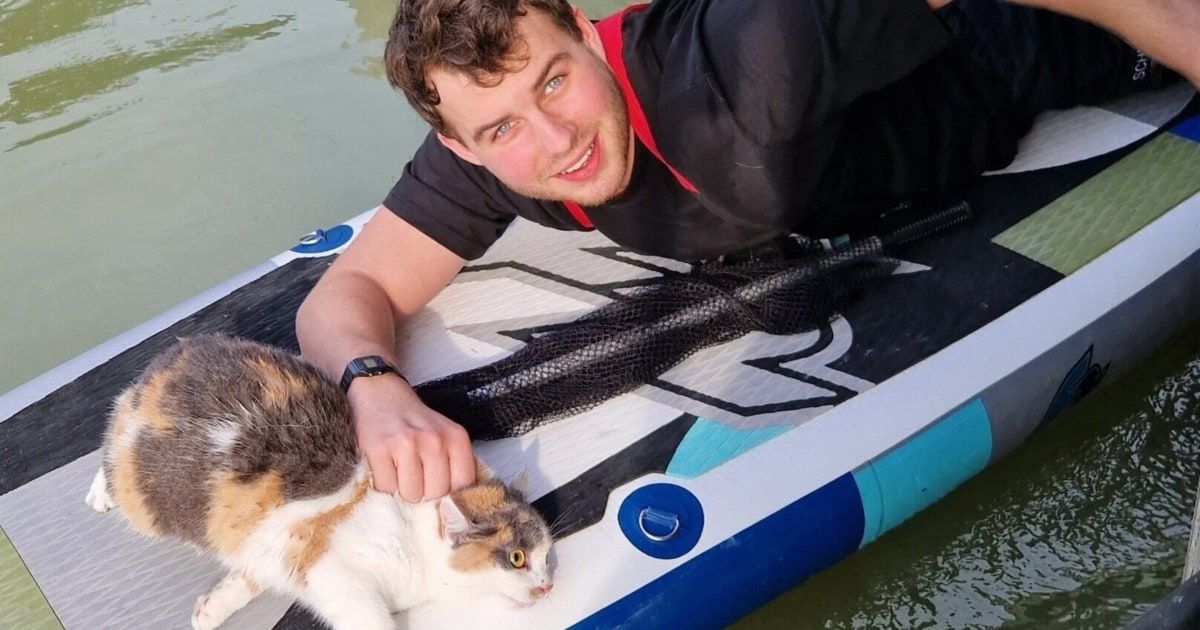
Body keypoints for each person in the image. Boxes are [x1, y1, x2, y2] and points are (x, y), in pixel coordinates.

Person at [296, 0, 1200, 503]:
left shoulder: (743, 61)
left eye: (556, 81)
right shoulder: (497, 154)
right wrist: (373, 388)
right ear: (459, 146)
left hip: (1048, 47)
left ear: (580, 28)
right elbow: (348, 291)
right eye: (500, 128)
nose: (555, 140)